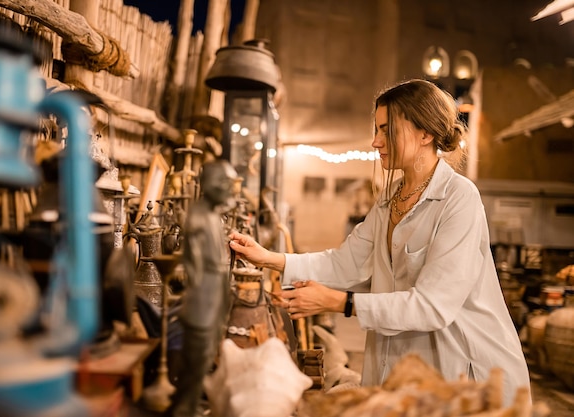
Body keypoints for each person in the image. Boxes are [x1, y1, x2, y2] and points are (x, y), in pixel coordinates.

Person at [228, 79, 531, 406]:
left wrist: (340, 303)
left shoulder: (459, 199)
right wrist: (268, 257)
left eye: (386, 130)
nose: (375, 141)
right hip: (407, 373)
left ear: (424, 134)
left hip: (465, 377)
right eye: (376, 129)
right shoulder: (391, 197)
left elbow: (432, 306)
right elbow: (345, 263)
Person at [169, 160, 237, 417]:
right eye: (227, 184)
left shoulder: (210, 214)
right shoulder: (198, 218)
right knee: (196, 363)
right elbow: (194, 267)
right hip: (201, 305)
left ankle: (189, 405)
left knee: (203, 361)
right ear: (213, 185)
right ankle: (184, 409)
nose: (231, 190)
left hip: (211, 301)